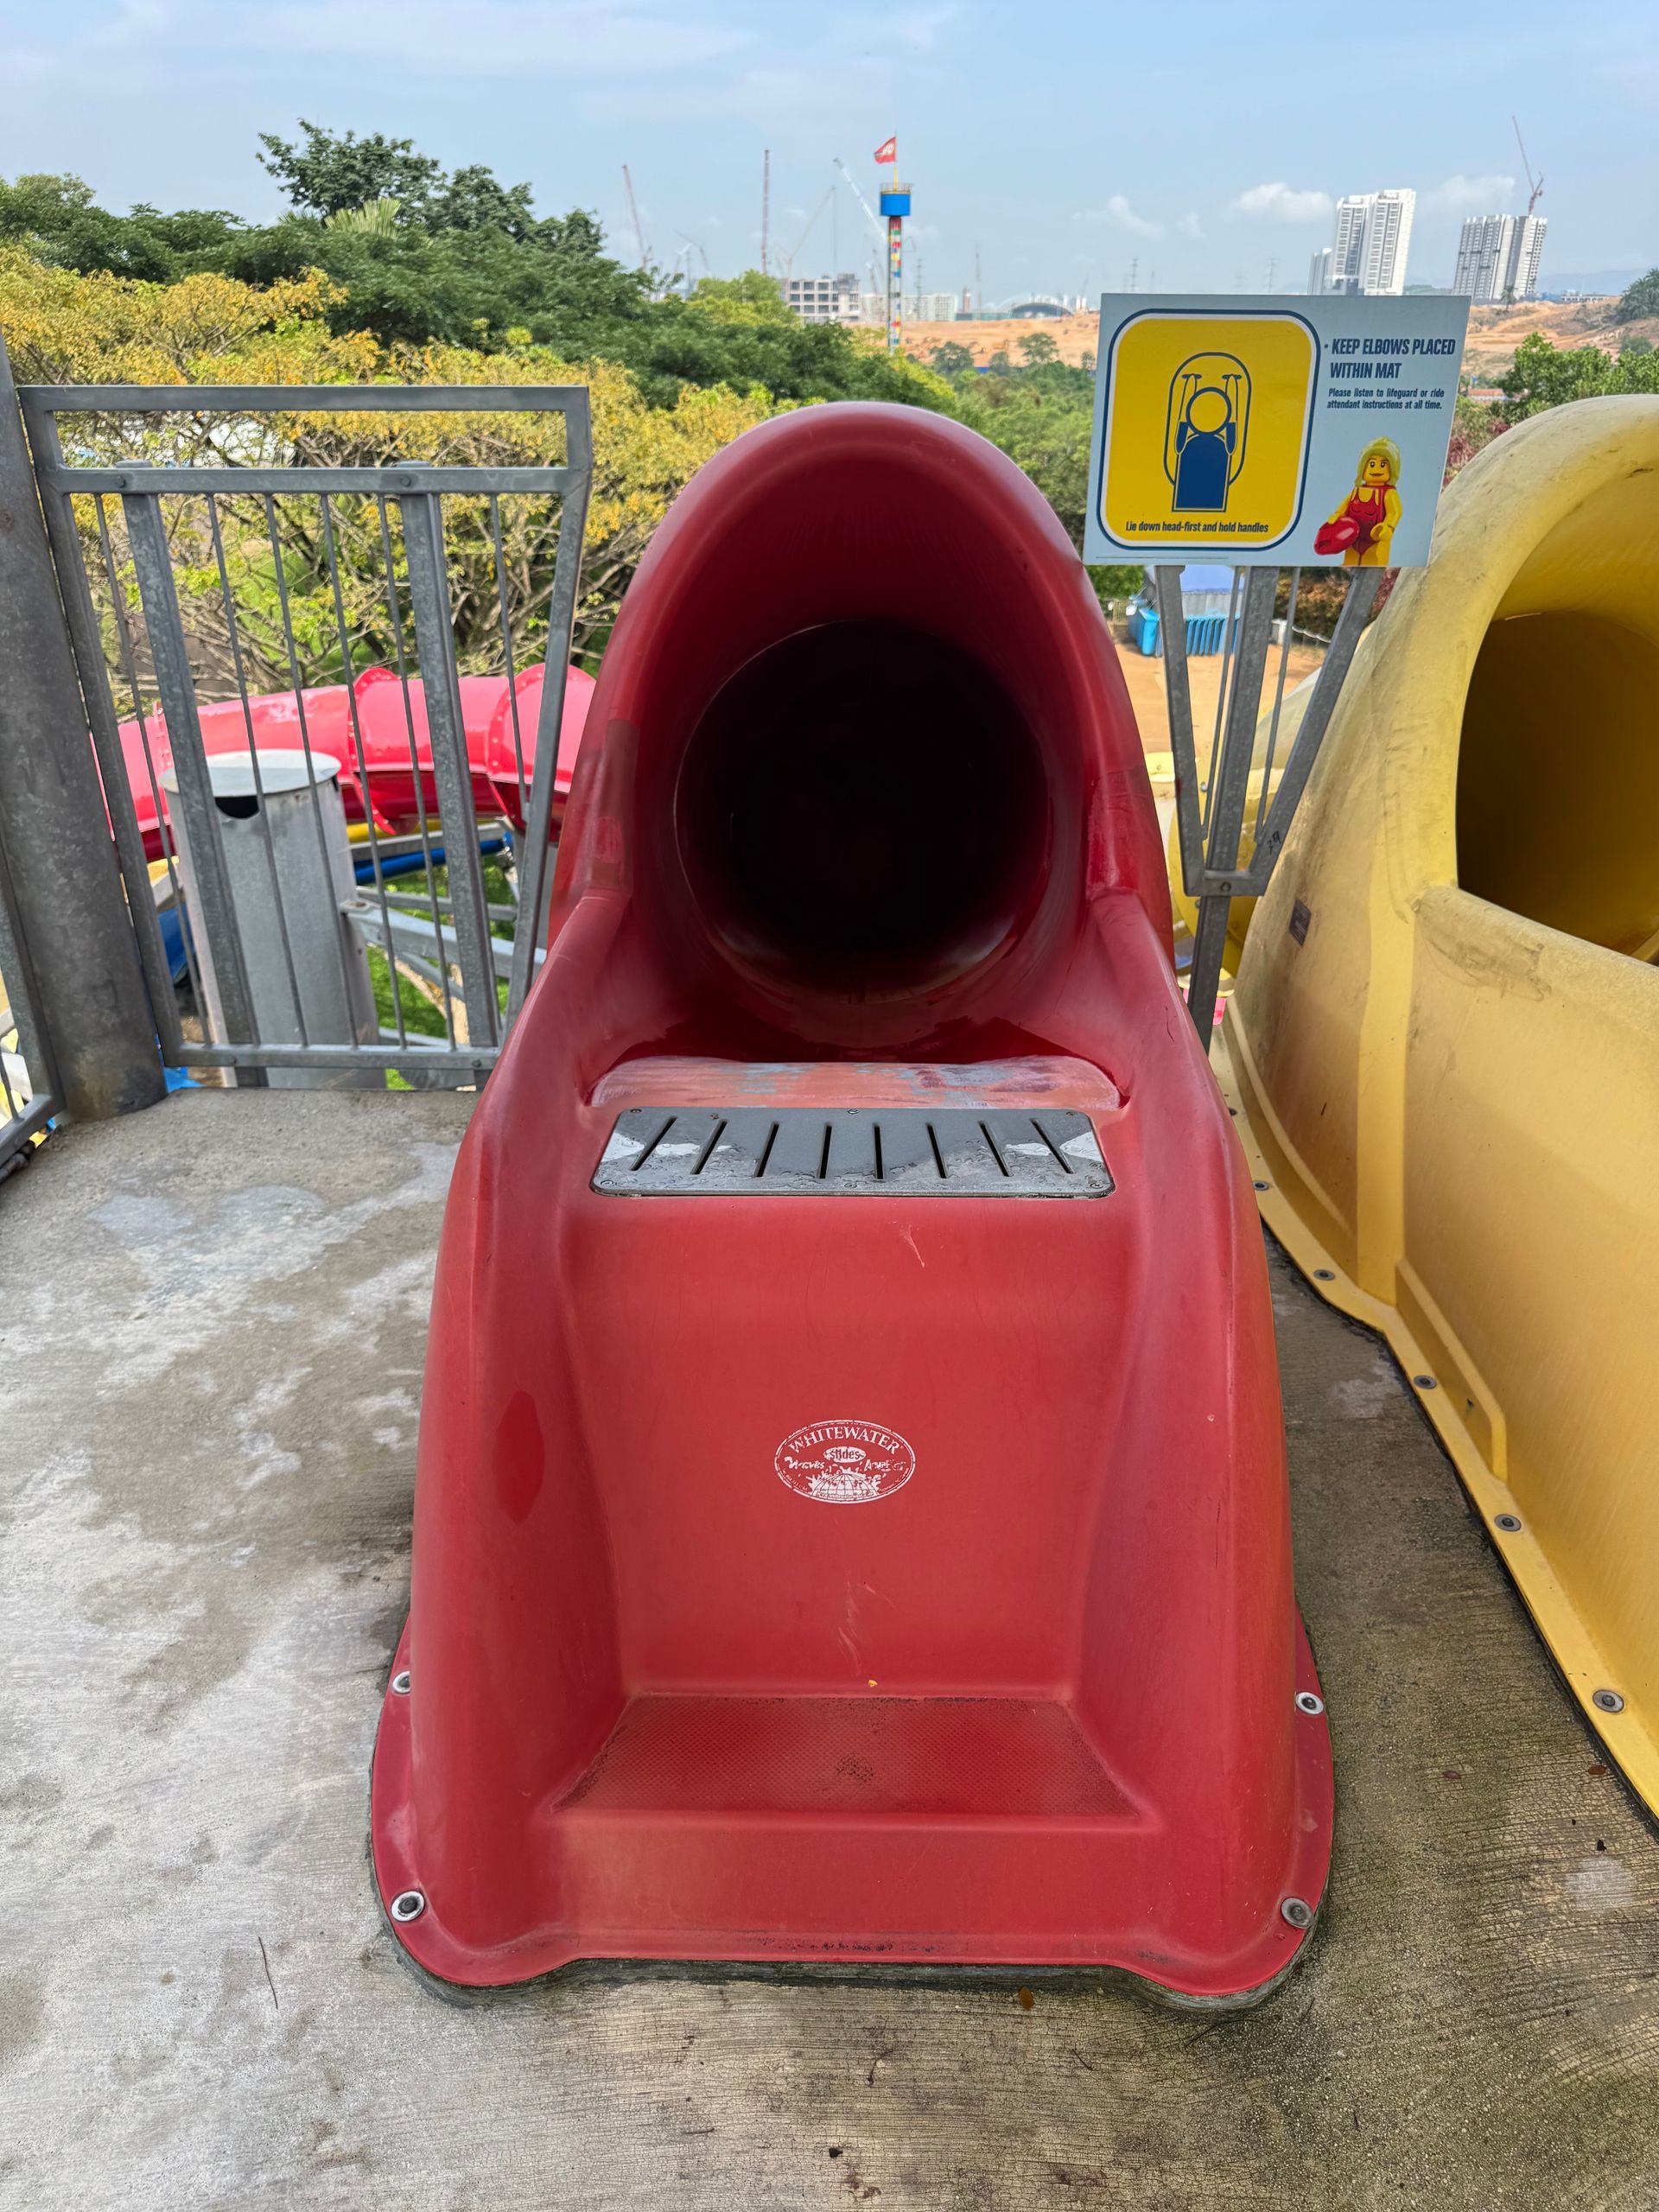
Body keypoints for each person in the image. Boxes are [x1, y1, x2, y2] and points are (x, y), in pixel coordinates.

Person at [1318, 438, 1402, 566]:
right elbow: (1344, 506)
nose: (1376, 469)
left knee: (1373, 563)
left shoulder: (1389, 493)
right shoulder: (1356, 492)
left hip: (1375, 539)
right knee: (1350, 560)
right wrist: (1337, 515)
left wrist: (1389, 527)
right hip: (1352, 538)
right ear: (1363, 468)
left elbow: (1394, 512)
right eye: (1372, 464)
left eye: (1383, 465)